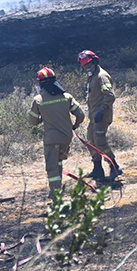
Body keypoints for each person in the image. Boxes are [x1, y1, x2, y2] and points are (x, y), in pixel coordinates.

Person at [28, 67, 85, 198]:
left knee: (51, 168)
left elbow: (32, 122)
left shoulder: (38, 100)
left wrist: (43, 118)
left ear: (40, 83)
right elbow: (80, 115)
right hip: (66, 138)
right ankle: (56, 189)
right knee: (58, 162)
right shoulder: (67, 97)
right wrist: (74, 126)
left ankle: (56, 195)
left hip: (51, 140)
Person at [77, 50, 123, 181]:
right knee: (91, 140)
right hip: (94, 116)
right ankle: (97, 168)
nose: (87, 68)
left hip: (101, 116)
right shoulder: (92, 76)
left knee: (100, 142)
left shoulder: (101, 76)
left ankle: (114, 166)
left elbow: (110, 96)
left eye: (88, 65)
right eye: (85, 66)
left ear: (95, 62)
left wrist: (101, 110)